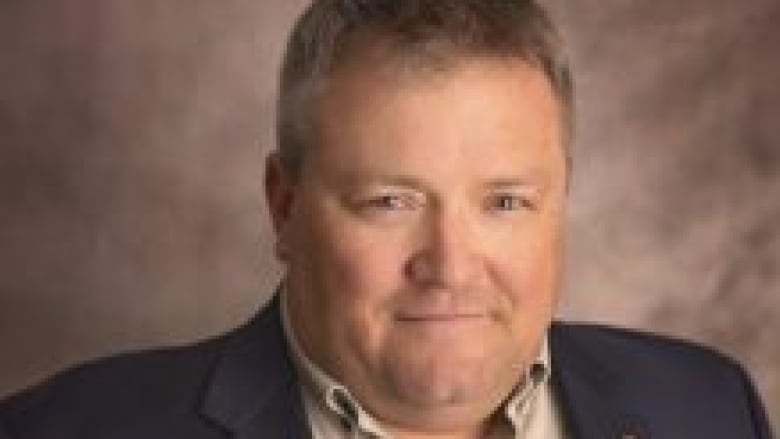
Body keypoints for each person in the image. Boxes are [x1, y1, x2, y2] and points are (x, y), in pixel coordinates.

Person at [0, 0, 773, 437]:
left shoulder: (706, 407)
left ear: (560, 201)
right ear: (284, 204)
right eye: (390, 201)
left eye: (504, 201)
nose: (450, 263)